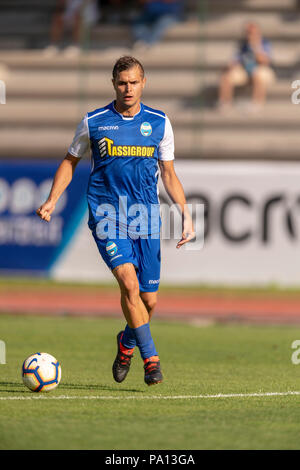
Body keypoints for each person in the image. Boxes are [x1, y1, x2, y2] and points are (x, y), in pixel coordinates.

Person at [36, 56, 195, 386]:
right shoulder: (94, 122)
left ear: (144, 83)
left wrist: (186, 214)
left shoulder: (160, 122)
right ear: (113, 84)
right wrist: (53, 199)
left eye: (134, 82)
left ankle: (127, 344)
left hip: (146, 216)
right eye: (122, 82)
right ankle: (151, 361)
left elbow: (168, 173)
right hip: (107, 214)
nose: (128, 88)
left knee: (148, 300)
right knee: (129, 284)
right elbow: (70, 162)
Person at [218, 22, 275, 110]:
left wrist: (255, 46)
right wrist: (231, 65)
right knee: (226, 77)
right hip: (244, 70)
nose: (250, 35)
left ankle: (257, 104)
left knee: (258, 74)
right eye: (248, 33)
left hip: (261, 70)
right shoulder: (242, 45)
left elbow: (265, 61)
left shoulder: (265, 43)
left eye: (252, 33)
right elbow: (235, 59)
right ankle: (225, 103)